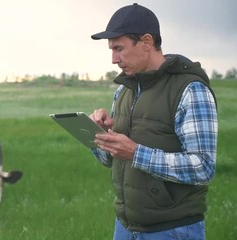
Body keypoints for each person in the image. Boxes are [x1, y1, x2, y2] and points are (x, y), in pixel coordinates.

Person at [89, 3, 218, 240]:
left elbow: (203, 167)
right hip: (125, 227)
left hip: (173, 230)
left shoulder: (190, 90)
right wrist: (100, 136)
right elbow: (110, 160)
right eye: (111, 50)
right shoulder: (125, 91)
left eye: (119, 49)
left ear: (147, 42)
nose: (113, 59)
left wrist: (136, 152)